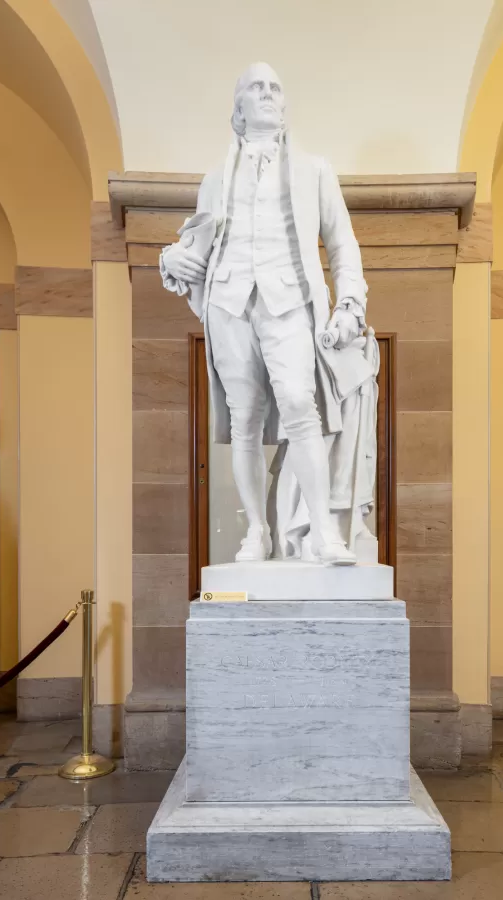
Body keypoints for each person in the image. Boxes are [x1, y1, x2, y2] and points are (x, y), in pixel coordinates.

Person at [160, 62, 370, 566]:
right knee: (244, 422)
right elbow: (194, 248)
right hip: (229, 304)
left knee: (301, 404)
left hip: (290, 300)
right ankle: (257, 531)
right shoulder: (214, 180)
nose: (268, 93)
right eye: (257, 87)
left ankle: (323, 531)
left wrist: (350, 303)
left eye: (275, 87)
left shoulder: (314, 170)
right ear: (239, 107)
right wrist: (171, 258)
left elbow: (342, 245)